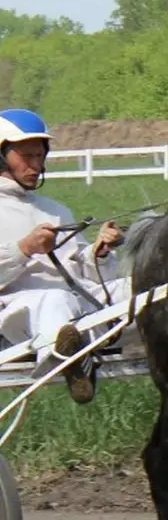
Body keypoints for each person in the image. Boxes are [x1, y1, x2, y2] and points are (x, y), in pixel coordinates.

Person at [0, 108, 129, 403]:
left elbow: (85, 276)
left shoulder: (55, 209)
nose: (36, 165)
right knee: (55, 300)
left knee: (144, 287)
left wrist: (100, 253)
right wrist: (25, 248)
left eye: (40, 156)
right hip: (19, 313)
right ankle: (72, 363)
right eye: (26, 156)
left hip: (75, 306)